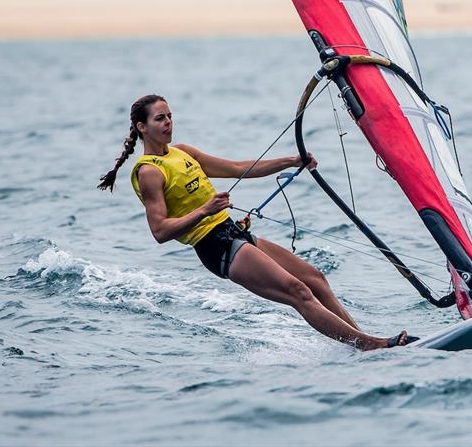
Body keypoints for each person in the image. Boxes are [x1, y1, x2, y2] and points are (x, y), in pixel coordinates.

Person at [98, 94, 415, 350]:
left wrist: (292, 160)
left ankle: (361, 341)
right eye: (159, 118)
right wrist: (205, 211)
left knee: (315, 278)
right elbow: (160, 231)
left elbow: (238, 167)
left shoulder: (182, 153)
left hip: (233, 232)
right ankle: (369, 345)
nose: (168, 123)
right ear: (142, 127)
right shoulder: (149, 170)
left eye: (170, 116)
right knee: (297, 291)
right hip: (215, 246)